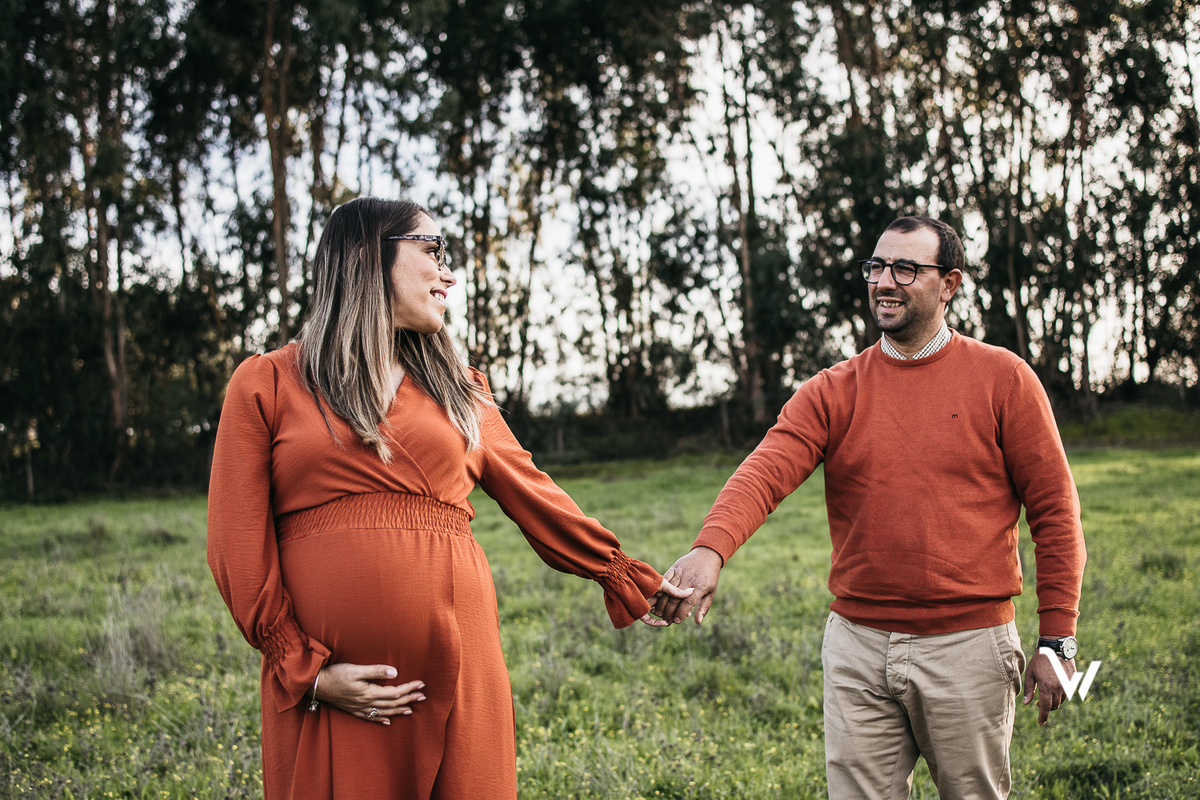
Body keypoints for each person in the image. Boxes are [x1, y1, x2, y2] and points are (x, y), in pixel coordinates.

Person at [206, 197, 688, 800]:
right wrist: (306, 672)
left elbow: (533, 492)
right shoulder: (268, 381)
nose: (449, 273)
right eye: (432, 250)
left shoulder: (458, 389)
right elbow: (236, 542)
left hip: (461, 661)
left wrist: (621, 572)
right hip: (339, 685)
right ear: (366, 256)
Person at [653, 216, 1086, 799]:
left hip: (968, 648)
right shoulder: (835, 389)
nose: (885, 281)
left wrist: (1057, 640)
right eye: (877, 267)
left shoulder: (1004, 379)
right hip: (858, 646)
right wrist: (710, 548)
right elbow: (766, 470)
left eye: (906, 268)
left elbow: (1055, 510)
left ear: (949, 284)